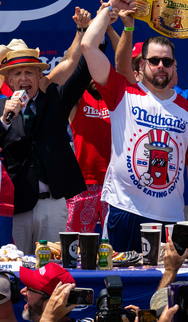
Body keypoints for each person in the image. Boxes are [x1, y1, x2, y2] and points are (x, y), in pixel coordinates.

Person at [80, 0, 188, 252]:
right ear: (142, 64)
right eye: (154, 61)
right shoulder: (122, 92)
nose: (161, 66)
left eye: (167, 61)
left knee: (167, 290)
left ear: (175, 67)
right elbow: (88, 46)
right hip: (124, 211)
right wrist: (110, 10)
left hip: (171, 220)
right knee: (119, 284)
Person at [0, 39, 91, 254]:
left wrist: (94, 36)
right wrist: (5, 120)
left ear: (40, 76)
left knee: (53, 266)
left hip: (52, 203)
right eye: (17, 73)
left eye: (29, 73)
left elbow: (83, 73)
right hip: (16, 205)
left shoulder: (56, 99)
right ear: (10, 81)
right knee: (15, 266)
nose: (24, 78)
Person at [66, 20, 121, 234]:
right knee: (75, 247)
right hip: (82, 183)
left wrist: (108, 27)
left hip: (114, 185)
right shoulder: (78, 99)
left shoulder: (117, 97)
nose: (92, 73)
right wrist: (82, 31)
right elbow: (70, 67)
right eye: (88, 69)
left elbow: (127, 63)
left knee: (116, 248)